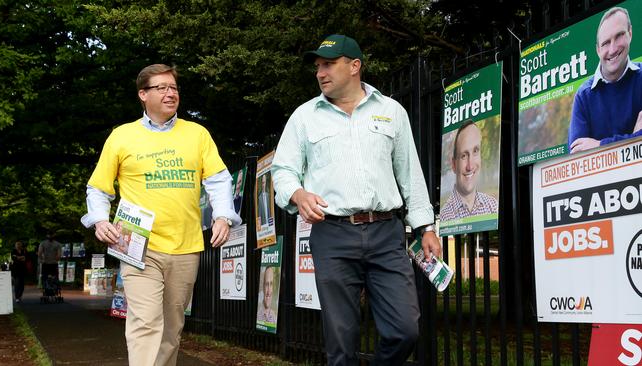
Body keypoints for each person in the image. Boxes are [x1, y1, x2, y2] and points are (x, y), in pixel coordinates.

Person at [271, 34, 441, 365]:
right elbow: (283, 171)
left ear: (354, 66)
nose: (321, 72)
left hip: (387, 233)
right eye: (318, 66)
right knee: (341, 342)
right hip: (332, 235)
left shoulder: (392, 111)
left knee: (405, 329)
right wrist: (298, 192)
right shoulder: (304, 117)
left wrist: (426, 227)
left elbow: (410, 174)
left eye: (329, 64)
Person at [80, 64, 241, 366]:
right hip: (138, 245)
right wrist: (100, 220)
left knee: (172, 327)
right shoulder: (121, 136)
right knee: (145, 321)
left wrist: (222, 216)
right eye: (162, 88)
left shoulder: (197, 134)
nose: (171, 93)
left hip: (186, 246)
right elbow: (99, 189)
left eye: (174, 88)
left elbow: (219, 180)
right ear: (143, 94)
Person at [568, 6, 642, 153]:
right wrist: (634, 139)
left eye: (619, 35)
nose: (613, 49)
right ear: (598, 50)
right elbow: (576, 156)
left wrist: (600, 145)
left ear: (630, 34)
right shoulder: (584, 96)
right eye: (606, 43)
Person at [439, 120, 498, 221]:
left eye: (475, 151)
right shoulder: (445, 216)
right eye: (463, 155)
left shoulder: (493, 206)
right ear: (453, 164)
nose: (470, 166)